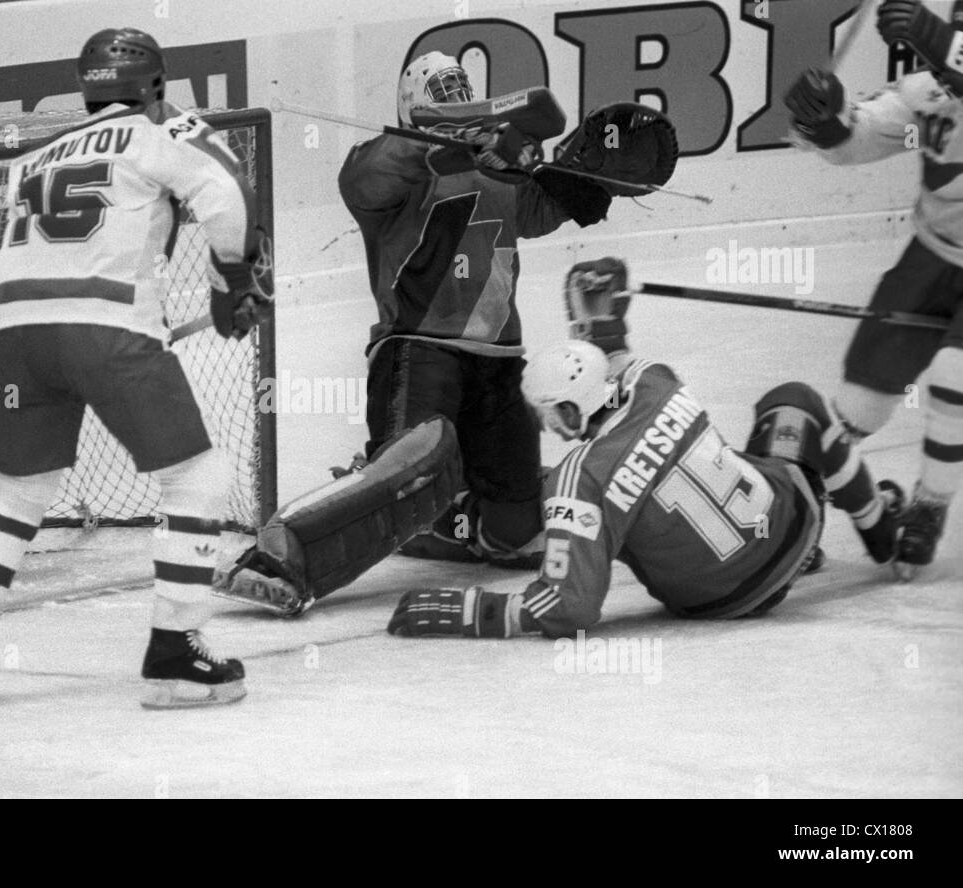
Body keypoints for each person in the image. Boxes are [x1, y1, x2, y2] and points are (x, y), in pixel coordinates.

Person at [218, 54, 675, 616]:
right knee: (414, 467)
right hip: (418, 347)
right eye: (444, 97)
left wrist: (593, 170)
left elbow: (551, 205)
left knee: (514, 530)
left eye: (463, 96)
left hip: (500, 358)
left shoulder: (499, 171)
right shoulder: (389, 166)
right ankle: (278, 553)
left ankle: (430, 525)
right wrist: (453, 139)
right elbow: (366, 175)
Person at [0, 27, 268, 708]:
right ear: (155, 85)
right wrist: (232, 281)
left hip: (15, 338)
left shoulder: (33, 158)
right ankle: (175, 654)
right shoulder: (161, 134)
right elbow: (227, 195)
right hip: (107, 330)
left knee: (17, 487)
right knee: (198, 479)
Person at [388, 258, 902, 639]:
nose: (542, 421)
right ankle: (882, 532)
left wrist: (477, 612)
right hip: (788, 529)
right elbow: (613, 361)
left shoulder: (579, 481)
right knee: (793, 401)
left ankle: (456, 525)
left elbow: (570, 608)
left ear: (569, 412)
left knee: (570, 507)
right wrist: (601, 319)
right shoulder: (655, 381)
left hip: (719, 600)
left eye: (547, 409)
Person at [783, 0, 963, 579]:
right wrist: (824, 119)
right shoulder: (931, 94)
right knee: (858, 401)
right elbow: (854, 141)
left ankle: (931, 506)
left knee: (955, 377)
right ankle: (793, 511)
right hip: (934, 254)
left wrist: (938, 37)